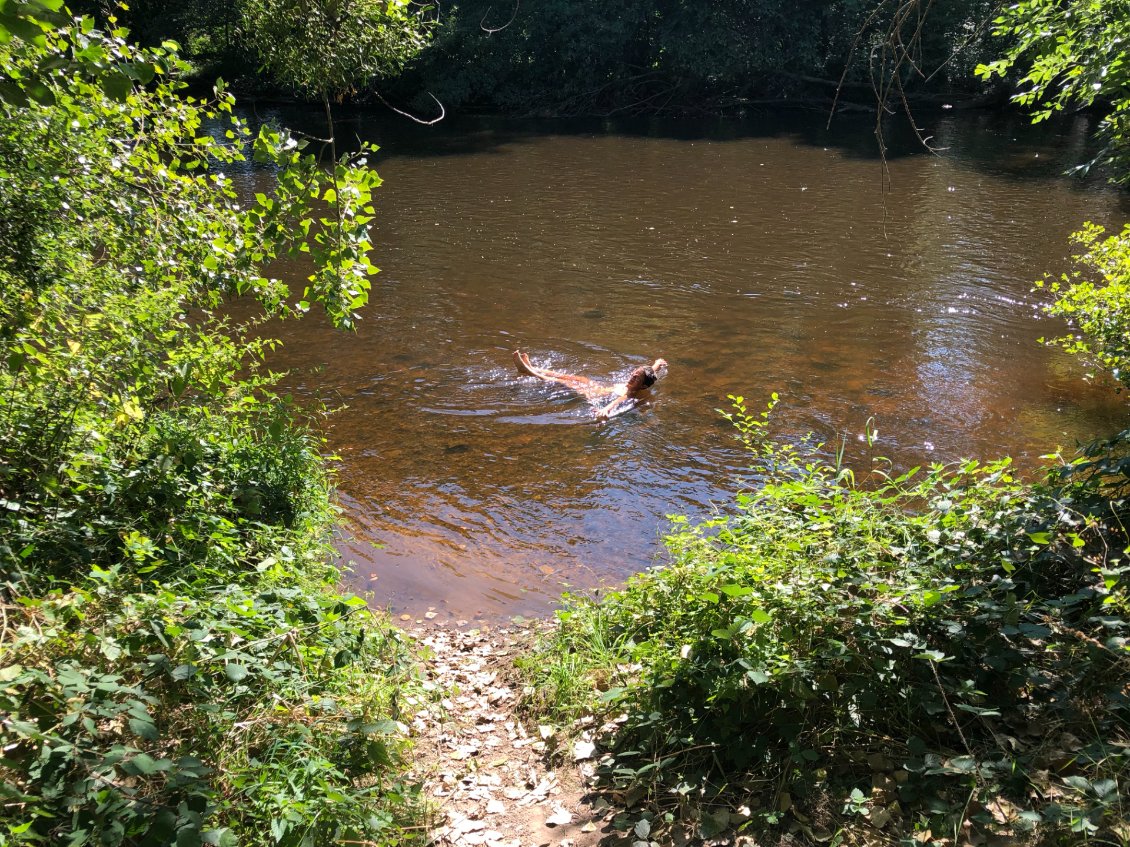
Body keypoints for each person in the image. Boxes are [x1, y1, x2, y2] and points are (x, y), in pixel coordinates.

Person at [513, 350, 668, 420]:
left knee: (562, 381)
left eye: (636, 378)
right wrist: (657, 364)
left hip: (592, 394)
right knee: (571, 376)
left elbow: (614, 403)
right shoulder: (644, 379)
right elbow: (649, 373)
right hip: (596, 386)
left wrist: (604, 411)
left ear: (642, 387)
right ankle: (533, 367)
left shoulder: (629, 394)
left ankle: (528, 372)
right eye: (634, 373)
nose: (632, 376)